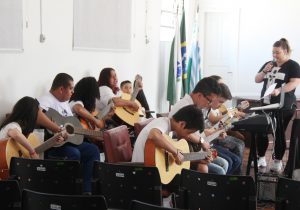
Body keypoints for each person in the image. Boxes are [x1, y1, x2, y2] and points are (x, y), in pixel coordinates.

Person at [38, 73, 100, 195]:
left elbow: (72, 126)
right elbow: (37, 115)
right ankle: (67, 192)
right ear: (61, 89)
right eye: (71, 88)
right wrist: (57, 129)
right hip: (53, 145)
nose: (73, 92)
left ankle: (86, 191)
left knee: (93, 150)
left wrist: (92, 133)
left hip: (67, 143)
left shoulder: (65, 102)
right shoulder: (46, 99)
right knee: (74, 153)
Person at [254, 38, 300, 173]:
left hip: (283, 107)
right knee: (261, 132)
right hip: (265, 105)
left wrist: (280, 90)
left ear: (286, 51)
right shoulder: (269, 64)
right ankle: (261, 157)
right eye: (273, 52)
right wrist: (264, 71)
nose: (274, 55)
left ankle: (277, 160)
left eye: (277, 52)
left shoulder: (293, 65)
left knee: (278, 133)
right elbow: (257, 79)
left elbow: (294, 82)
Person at [168, 77, 229, 175]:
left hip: (191, 149)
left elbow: (196, 133)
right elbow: (184, 134)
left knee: (223, 163)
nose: (209, 104)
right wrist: (201, 142)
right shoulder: (185, 106)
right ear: (200, 95)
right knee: (220, 170)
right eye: (209, 101)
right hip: (180, 152)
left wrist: (204, 149)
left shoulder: (195, 105)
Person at [132, 105, 205, 164]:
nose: (188, 136)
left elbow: (174, 158)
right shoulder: (163, 122)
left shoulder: (168, 131)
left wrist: (200, 158)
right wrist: (176, 152)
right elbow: (153, 135)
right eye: (189, 132)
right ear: (182, 124)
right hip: (142, 170)